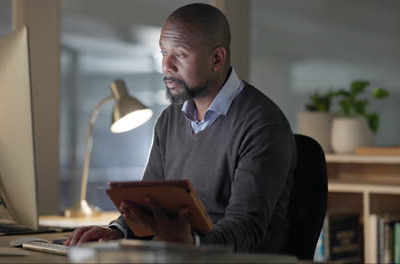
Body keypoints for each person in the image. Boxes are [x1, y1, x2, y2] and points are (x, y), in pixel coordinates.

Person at [65, 3, 296, 253]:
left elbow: (246, 227)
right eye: (164, 53)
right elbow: (147, 203)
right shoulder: (170, 119)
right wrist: (116, 231)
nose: (166, 66)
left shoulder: (262, 124)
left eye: (181, 54)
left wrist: (190, 244)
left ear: (217, 59)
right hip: (179, 255)